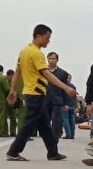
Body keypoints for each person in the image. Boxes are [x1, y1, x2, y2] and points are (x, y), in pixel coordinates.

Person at [5, 24, 77, 161]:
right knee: (29, 124)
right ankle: (13, 152)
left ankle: (53, 152)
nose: (48, 41)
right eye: (47, 38)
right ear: (38, 36)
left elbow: (17, 73)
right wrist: (66, 88)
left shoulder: (24, 51)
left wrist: (13, 90)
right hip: (36, 93)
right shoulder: (37, 53)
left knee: (44, 125)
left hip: (32, 93)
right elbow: (47, 74)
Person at [45, 52, 71, 139]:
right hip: (44, 100)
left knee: (56, 123)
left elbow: (65, 89)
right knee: (45, 122)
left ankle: (55, 139)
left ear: (57, 60)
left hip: (57, 101)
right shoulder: (43, 72)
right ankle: (47, 138)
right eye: (49, 59)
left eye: (53, 59)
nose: (51, 60)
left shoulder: (63, 73)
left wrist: (66, 103)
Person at [62, 74, 77, 139]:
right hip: (72, 105)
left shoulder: (63, 85)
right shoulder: (73, 86)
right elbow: (75, 97)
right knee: (72, 119)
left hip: (65, 105)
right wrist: (75, 105)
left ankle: (68, 135)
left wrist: (64, 104)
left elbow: (62, 96)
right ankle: (72, 135)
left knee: (65, 119)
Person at [5, 69, 20, 137]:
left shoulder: (16, 82)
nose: (11, 78)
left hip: (13, 102)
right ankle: (5, 132)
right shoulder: (5, 82)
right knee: (4, 118)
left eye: (12, 76)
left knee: (13, 118)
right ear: (7, 76)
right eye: (10, 77)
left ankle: (13, 132)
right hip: (6, 102)